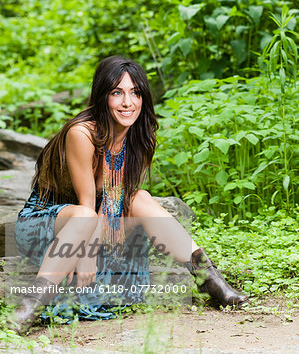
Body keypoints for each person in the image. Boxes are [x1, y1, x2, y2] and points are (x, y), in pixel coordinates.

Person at [9, 56, 247, 335]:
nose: (127, 102)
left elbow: (113, 199)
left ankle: (210, 280)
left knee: (140, 198)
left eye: (135, 92)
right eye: (117, 92)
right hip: (48, 223)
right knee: (85, 215)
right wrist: (85, 254)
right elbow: (86, 205)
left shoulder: (136, 137)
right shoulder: (81, 133)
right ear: (102, 96)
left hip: (96, 223)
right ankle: (27, 310)